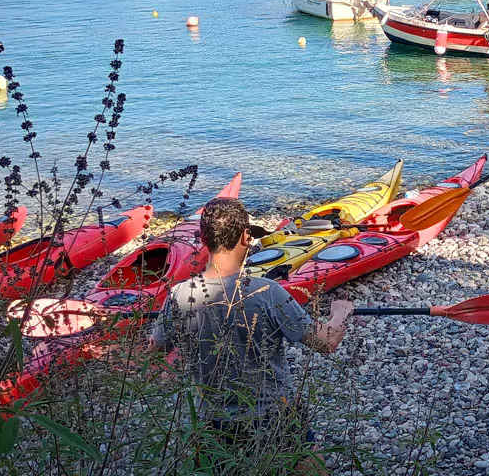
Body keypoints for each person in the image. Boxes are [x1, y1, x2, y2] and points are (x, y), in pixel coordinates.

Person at [150, 198, 354, 469]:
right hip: (272, 415)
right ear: (246, 237)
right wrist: (340, 312)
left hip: (211, 420)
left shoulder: (179, 295)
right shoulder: (266, 292)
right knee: (307, 466)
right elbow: (325, 342)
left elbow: (156, 351)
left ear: (203, 238)